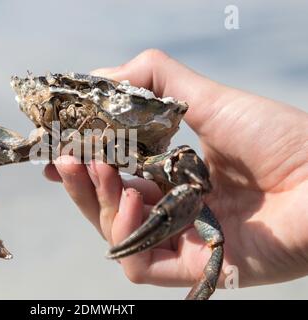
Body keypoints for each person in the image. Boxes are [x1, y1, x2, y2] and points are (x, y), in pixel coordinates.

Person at [43, 49, 308, 289]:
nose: (74, 111)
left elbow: (208, 223)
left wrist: (301, 169)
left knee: (213, 243)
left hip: (146, 159)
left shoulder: (174, 163)